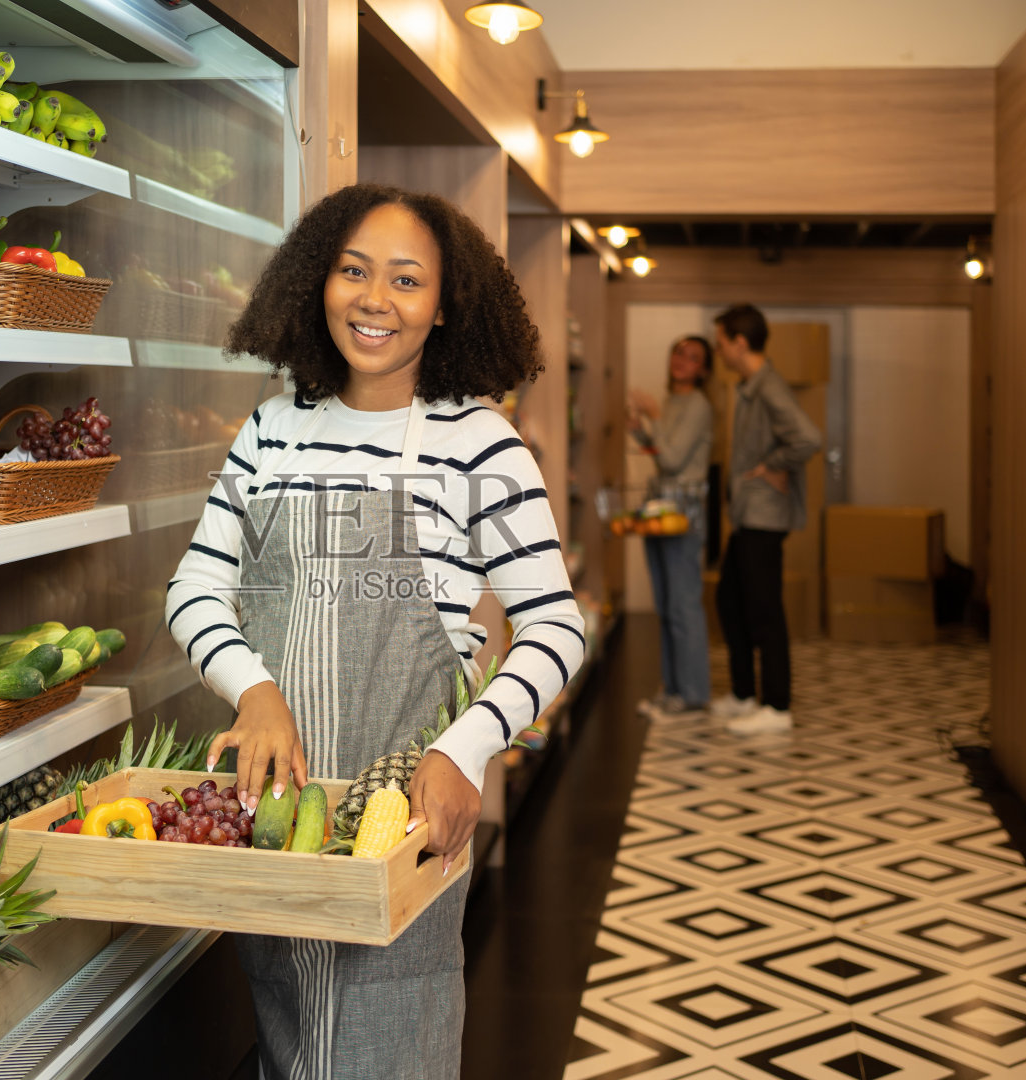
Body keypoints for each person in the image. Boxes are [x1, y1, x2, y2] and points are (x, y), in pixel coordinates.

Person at [166, 182, 585, 1079]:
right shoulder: (273, 431)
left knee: (391, 1042)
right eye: (354, 272)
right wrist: (257, 691)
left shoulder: (481, 445)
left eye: (406, 281)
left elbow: (556, 627)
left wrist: (468, 749)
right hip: (277, 821)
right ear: (317, 282)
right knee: (286, 1037)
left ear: (444, 307)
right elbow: (198, 584)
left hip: (405, 829)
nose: (375, 300)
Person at [709, 303, 821, 735]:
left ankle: (777, 706)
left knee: (764, 611)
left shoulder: (769, 387)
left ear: (740, 343)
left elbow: (808, 438)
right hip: (749, 516)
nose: (720, 353)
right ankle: (743, 694)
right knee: (731, 602)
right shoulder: (752, 384)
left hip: (764, 518)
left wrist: (773, 465)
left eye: (721, 344)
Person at [627, 335, 714, 719]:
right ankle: (674, 689)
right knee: (665, 604)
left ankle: (692, 693)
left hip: (684, 514)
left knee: (682, 604)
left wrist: (654, 416)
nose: (682, 361)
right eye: (679, 352)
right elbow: (663, 455)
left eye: (693, 358)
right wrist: (640, 429)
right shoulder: (676, 402)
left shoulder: (697, 405)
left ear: (703, 370)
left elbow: (675, 460)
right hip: (663, 512)